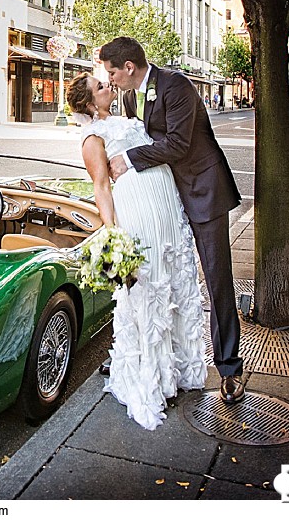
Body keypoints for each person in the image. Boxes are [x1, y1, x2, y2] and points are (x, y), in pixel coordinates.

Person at [98, 37, 244, 404]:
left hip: (203, 190)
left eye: (113, 72)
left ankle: (229, 367)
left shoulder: (176, 85)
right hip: (167, 197)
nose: (111, 80)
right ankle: (155, 358)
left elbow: (178, 144)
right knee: (164, 278)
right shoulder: (131, 95)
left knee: (217, 279)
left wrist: (129, 159)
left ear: (129, 67)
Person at [66, 72, 207, 430]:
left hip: (164, 203)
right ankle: (152, 380)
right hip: (139, 209)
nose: (107, 86)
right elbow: (100, 186)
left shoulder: (127, 115)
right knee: (151, 287)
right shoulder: (91, 137)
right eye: (100, 86)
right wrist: (112, 233)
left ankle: (179, 368)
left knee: (176, 279)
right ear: (87, 103)